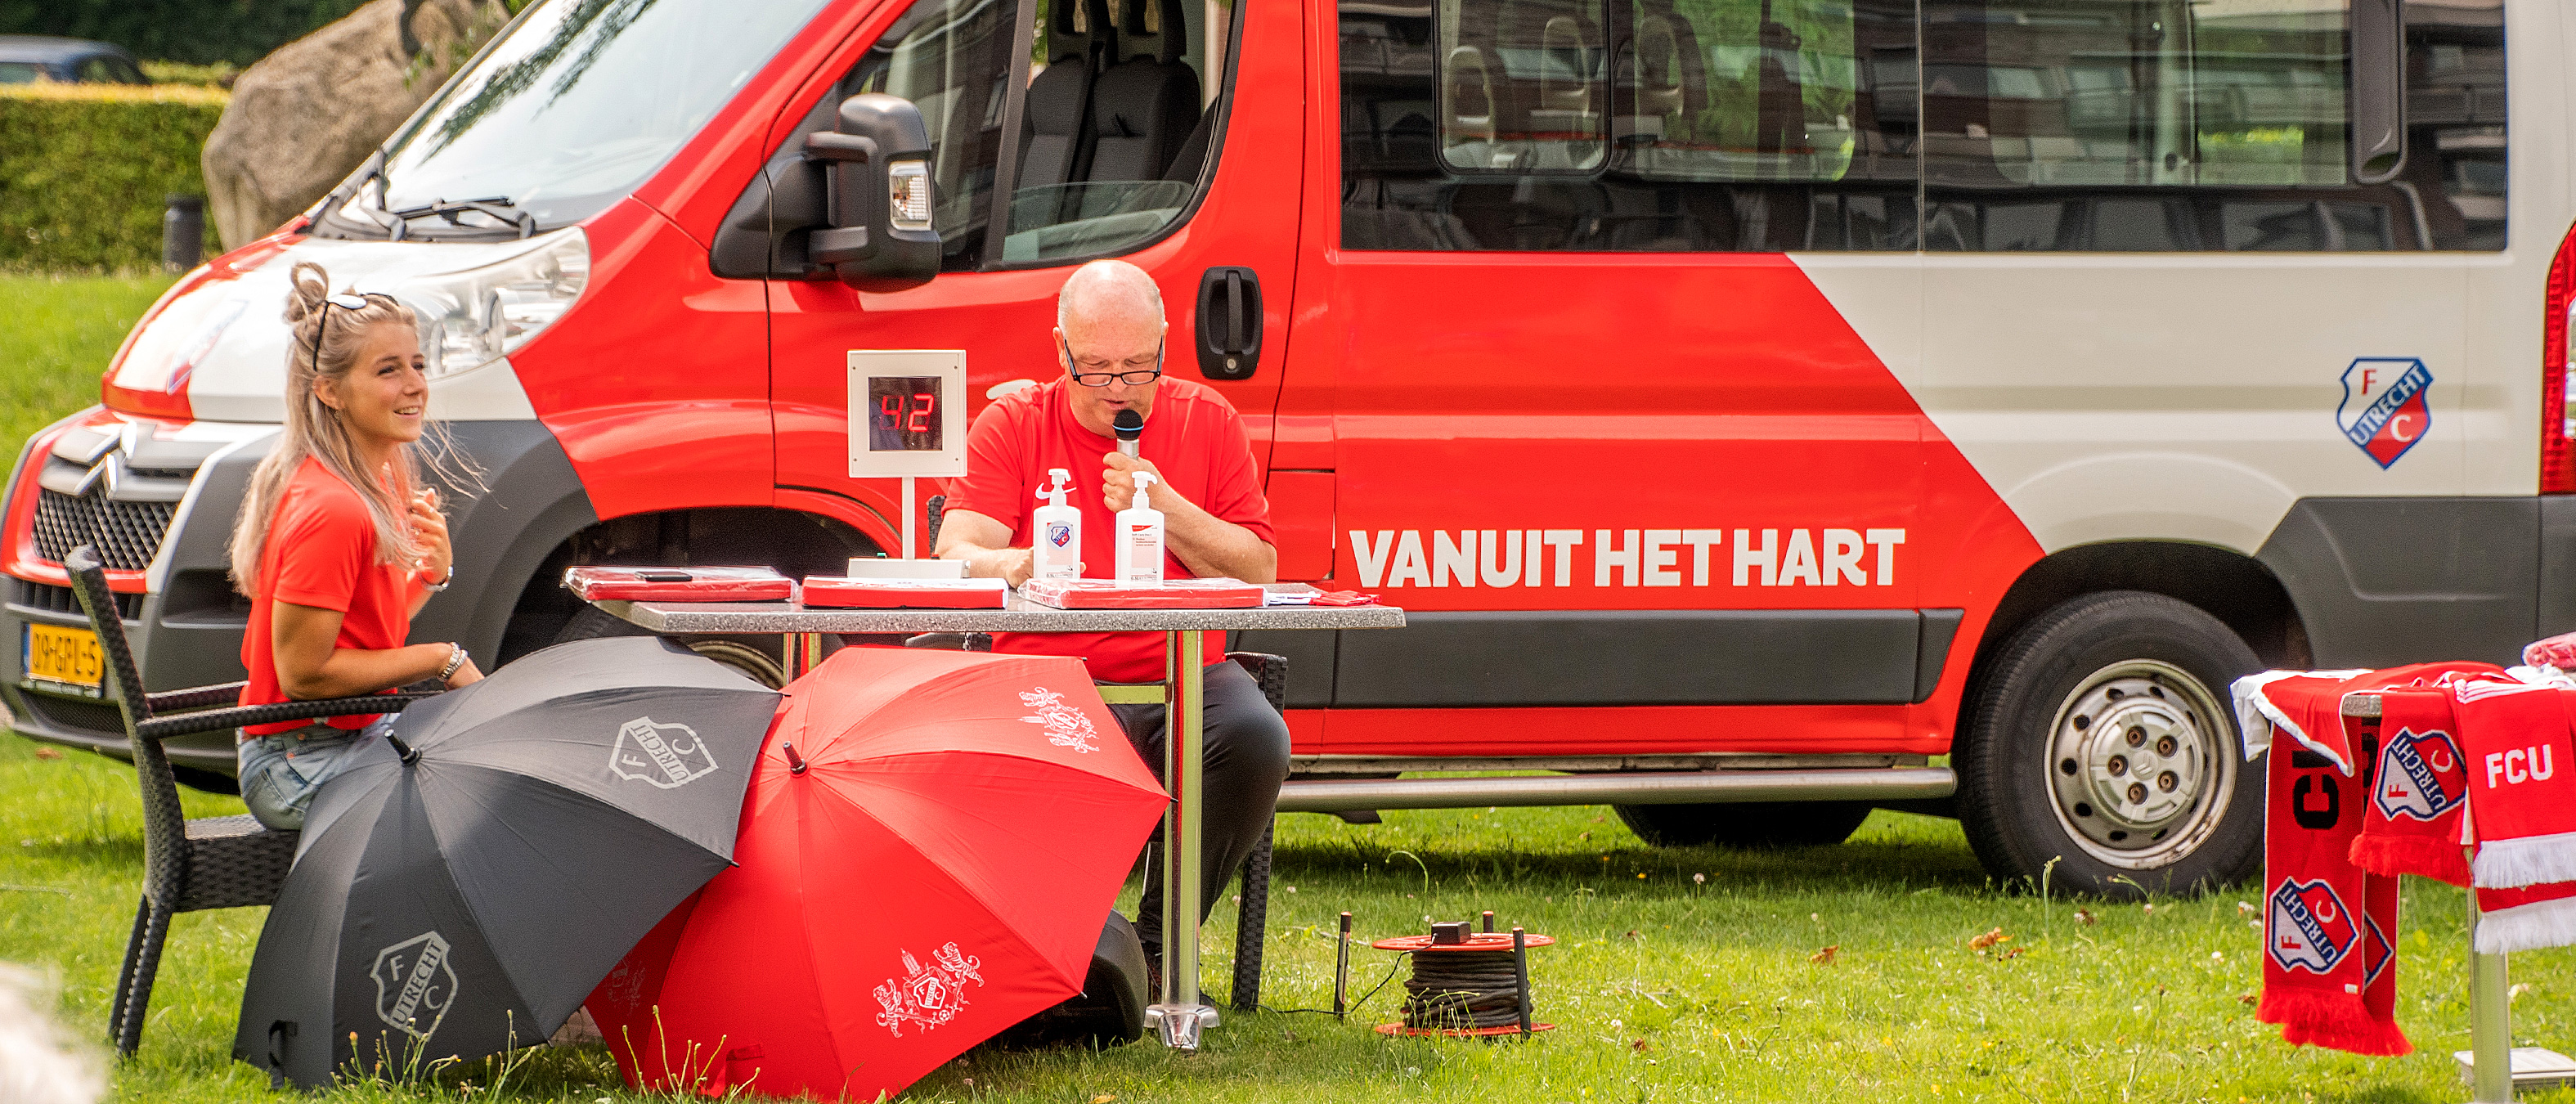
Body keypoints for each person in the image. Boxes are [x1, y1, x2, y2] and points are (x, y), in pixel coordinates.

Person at [937, 258, 1285, 967]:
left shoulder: (1208, 421)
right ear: (1060, 348)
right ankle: (1053, 955)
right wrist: (1011, 564)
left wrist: (1166, 505)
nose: (1118, 389)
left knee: (1255, 736)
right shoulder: (1015, 421)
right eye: (1095, 369)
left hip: (1182, 676)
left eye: (1137, 367)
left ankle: (1160, 951)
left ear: (1164, 346)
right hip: (1049, 678)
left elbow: (1260, 569)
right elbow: (955, 549)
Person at [227, 263, 483, 831]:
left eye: (417, 364)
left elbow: (363, 635)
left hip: (353, 730)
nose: (416, 385)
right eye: (388, 370)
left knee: (488, 784)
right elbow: (305, 675)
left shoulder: (382, 474)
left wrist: (430, 579)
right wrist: (443, 660)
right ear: (330, 391)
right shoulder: (334, 509)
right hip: (297, 761)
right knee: (472, 808)